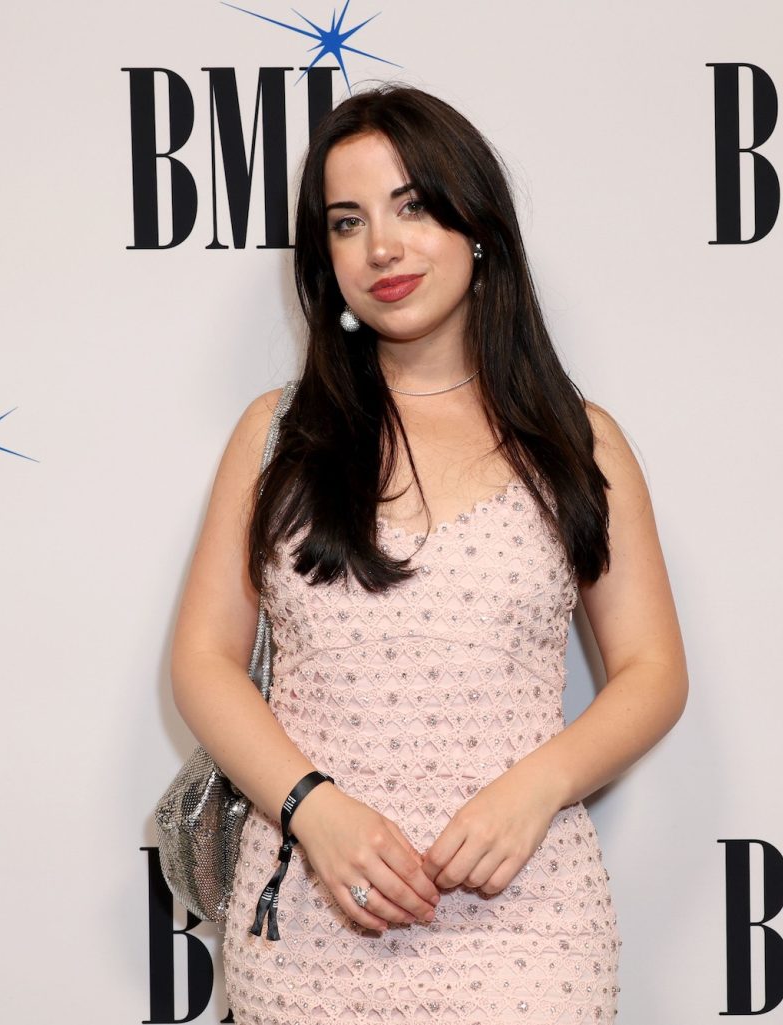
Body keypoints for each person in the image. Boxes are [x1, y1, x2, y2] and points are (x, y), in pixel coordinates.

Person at [170, 84, 687, 1024]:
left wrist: (538, 788)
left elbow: (652, 671)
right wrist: (313, 809)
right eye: (346, 221)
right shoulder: (277, 433)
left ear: (476, 222)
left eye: (412, 205)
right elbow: (204, 662)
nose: (382, 247)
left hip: (526, 919)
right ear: (323, 256)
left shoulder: (580, 441)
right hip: (313, 917)